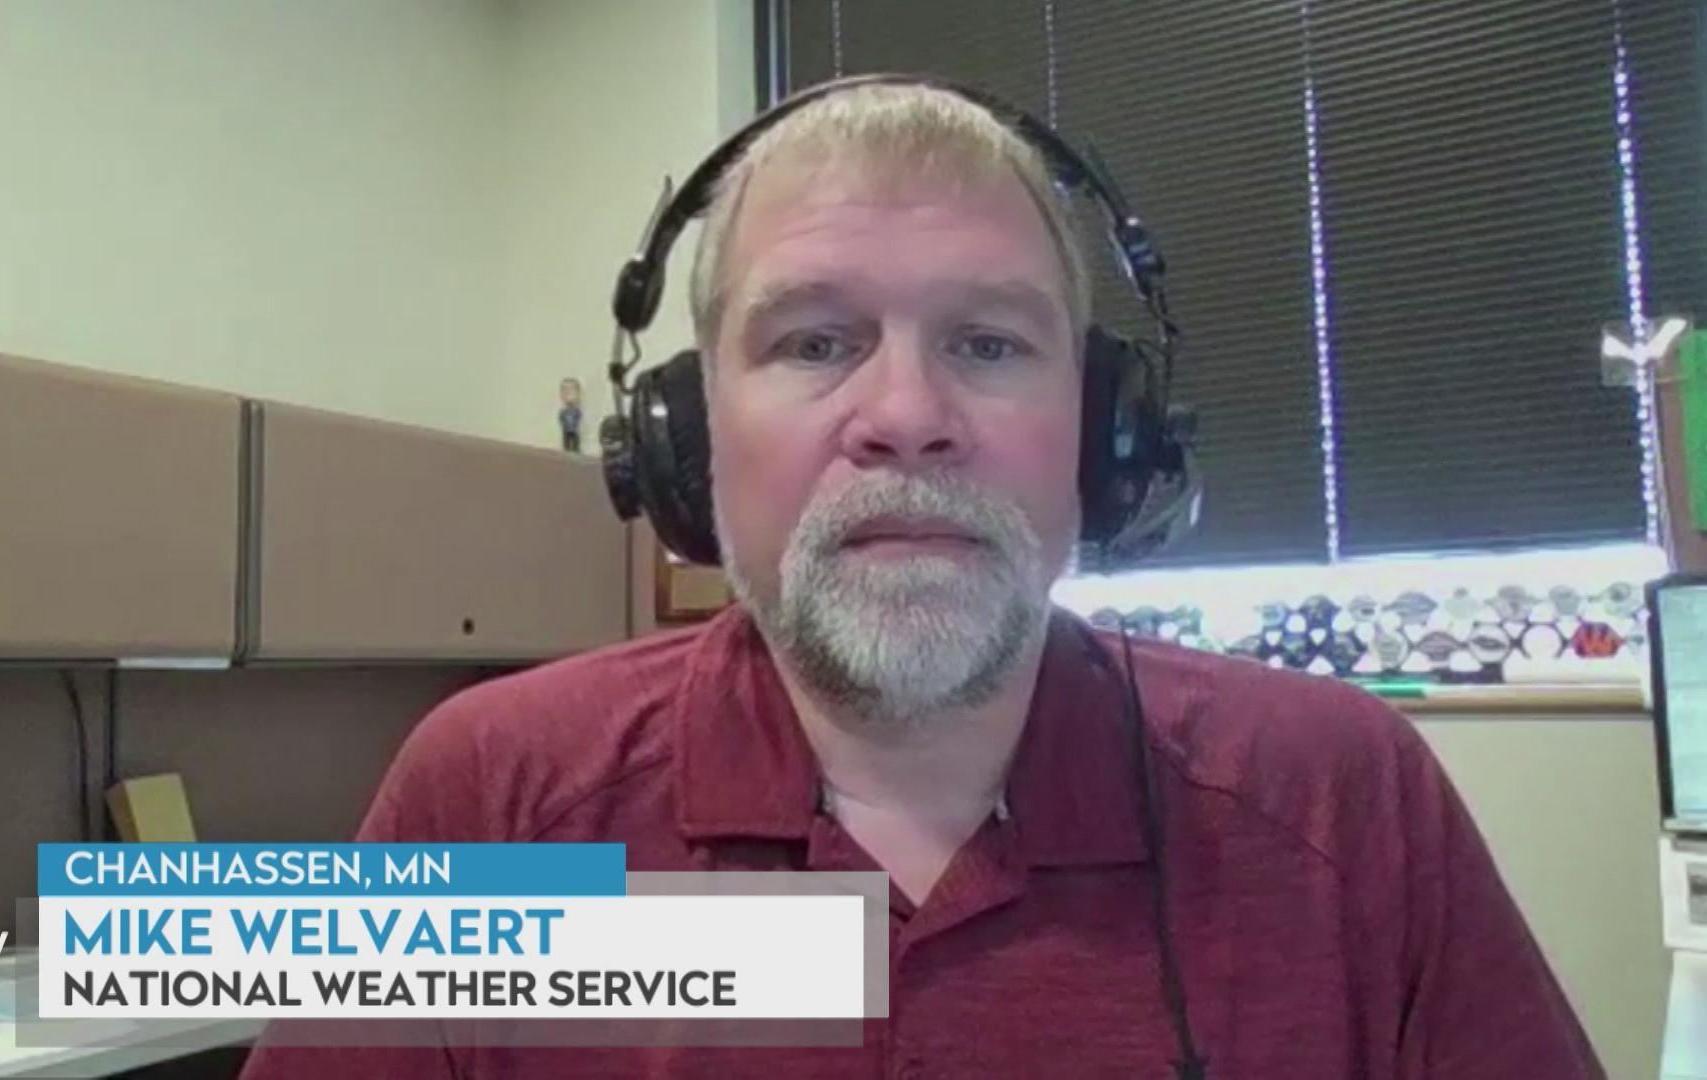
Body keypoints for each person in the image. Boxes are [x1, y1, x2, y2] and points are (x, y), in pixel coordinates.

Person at [243, 79, 1601, 1078]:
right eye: (816, 339)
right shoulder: (497, 796)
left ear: (1108, 429)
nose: (905, 413)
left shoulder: (1341, 799)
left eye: (992, 344)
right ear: (686, 433)